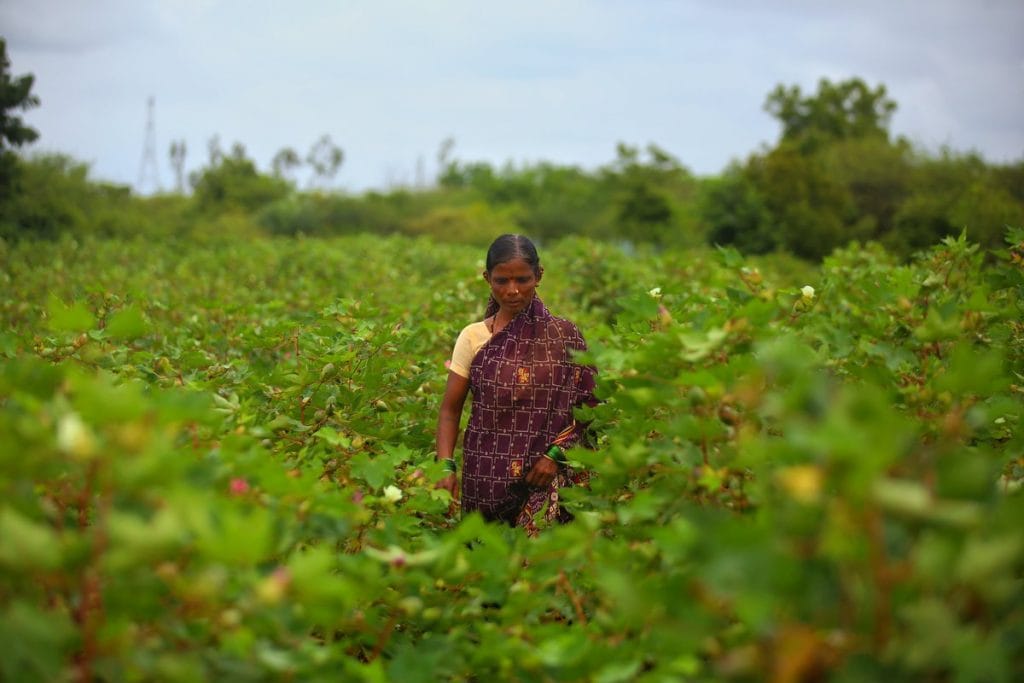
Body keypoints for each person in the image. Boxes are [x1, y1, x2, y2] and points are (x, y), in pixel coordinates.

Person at [435, 234, 596, 536]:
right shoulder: (473, 338)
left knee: (539, 571)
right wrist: (445, 465)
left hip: (545, 478)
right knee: (484, 566)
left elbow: (590, 403)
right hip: (485, 480)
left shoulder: (566, 337)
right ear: (487, 279)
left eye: (522, 279)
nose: (512, 291)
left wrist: (554, 456)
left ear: (539, 276)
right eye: (501, 281)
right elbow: (449, 410)